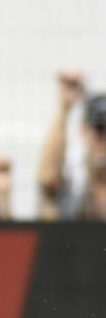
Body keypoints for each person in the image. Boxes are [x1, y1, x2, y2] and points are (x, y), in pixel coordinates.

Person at [36, 74, 106, 220]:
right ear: (84, 130)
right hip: (71, 239)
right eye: (100, 129)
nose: (104, 137)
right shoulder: (74, 168)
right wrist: (64, 107)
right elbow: (48, 177)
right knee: (49, 208)